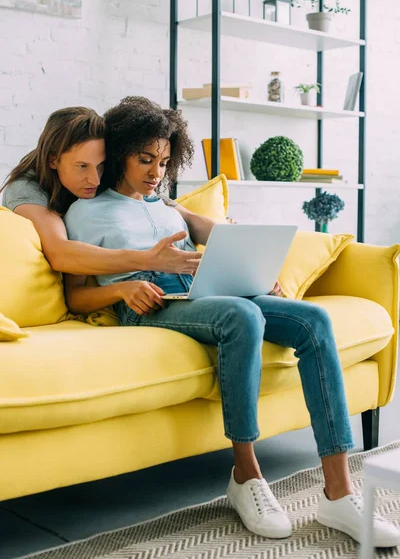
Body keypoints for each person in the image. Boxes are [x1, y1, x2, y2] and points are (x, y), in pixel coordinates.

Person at [62, 96, 400, 547]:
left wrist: (256, 266)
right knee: (241, 315)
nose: (155, 171)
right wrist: (122, 288)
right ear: (120, 150)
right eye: (145, 159)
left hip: (202, 288)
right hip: (146, 301)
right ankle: (246, 475)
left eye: (163, 161)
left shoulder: (166, 204)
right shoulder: (84, 211)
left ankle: (338, 492)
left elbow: (216, 234)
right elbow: (77, 295)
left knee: (314, 320)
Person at [0, 106, 205, 283]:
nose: (96, 180)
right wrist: (150, 260)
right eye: (82, 166)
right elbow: (60, 254)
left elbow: (184, 215)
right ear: (53, 160)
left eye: (100, 166)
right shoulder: (26, 189)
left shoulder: (104, 173)